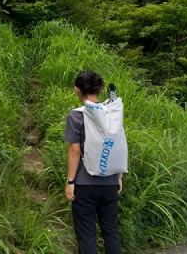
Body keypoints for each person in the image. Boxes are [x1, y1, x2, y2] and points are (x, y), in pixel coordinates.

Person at [64, 71, 123, 254]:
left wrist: (70, 182)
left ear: (77, 90)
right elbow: (117, 143)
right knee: (111, 231)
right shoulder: (112, 112)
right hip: (110, 182)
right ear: (101, 89)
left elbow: (75, 150)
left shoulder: (75, 116)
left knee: (87, 234)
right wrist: (118, 176)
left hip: (85, 184)